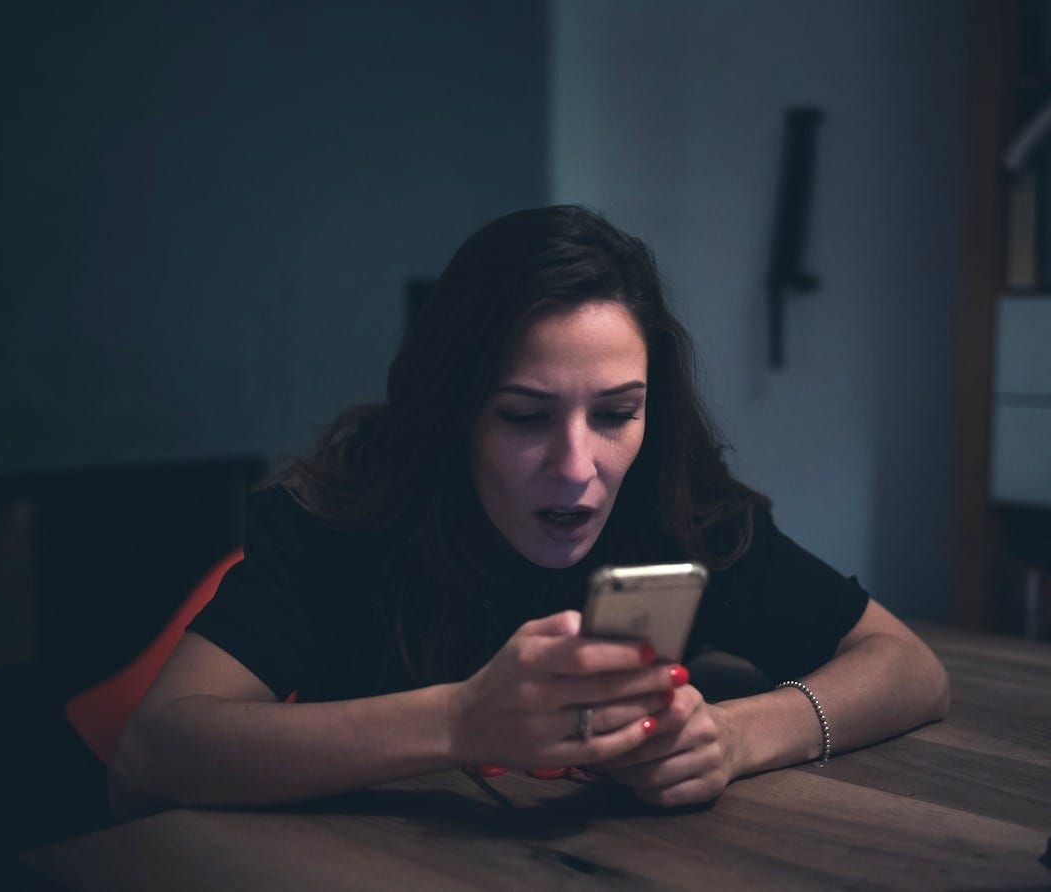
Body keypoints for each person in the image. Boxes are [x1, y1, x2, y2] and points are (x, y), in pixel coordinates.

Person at [108, 205, 949, 819]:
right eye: (524, 416)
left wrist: (737, 739)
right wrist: (457, 722)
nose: (577, 468)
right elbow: (147, 760)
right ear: (456, 414)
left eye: (616, 413)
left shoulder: (676, 507)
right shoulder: (354, 511)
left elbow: (909, 667)